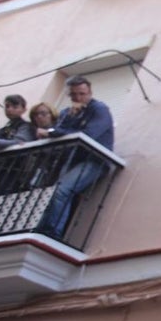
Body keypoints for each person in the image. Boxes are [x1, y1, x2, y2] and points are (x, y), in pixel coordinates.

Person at [35, 76, 115, 238]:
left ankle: (51, 234)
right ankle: (45, 230)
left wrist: (51, 132)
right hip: (73, 159)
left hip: (94, 160)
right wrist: (70, 117)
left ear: (90, 92)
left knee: (62, 190)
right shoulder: (67, 112)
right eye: (74, 95)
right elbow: (60, 131)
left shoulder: (99, 109)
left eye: (82, 94)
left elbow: (89, 134)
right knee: (57, 192)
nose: (78, 98)